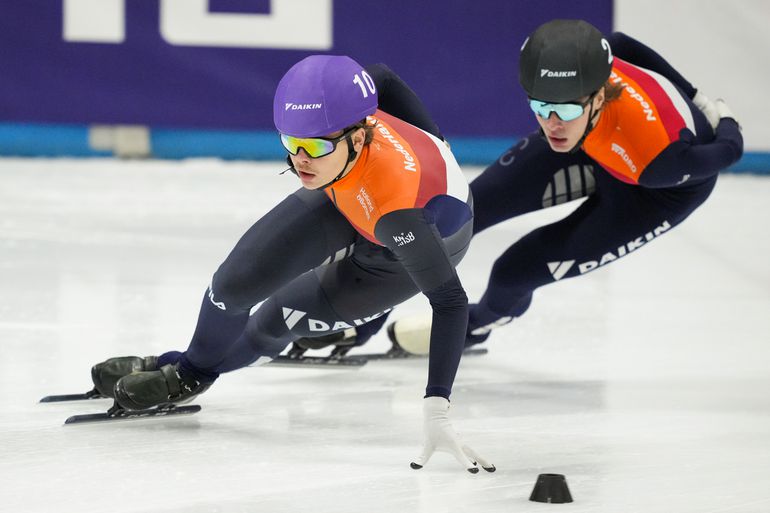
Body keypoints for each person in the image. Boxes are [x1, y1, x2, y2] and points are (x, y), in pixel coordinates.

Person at [89, 55, 493, 473]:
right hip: (346, 187)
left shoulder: (399, 210)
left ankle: (193, 374)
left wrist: (436, 409)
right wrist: (322, 149)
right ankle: (188, 364)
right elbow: (383, 77)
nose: (300, 159)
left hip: (403, 245)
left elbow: (450, 303)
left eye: (315, 145)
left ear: (358, 137)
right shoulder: (339, 138)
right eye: (291, 142)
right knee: (232, 286)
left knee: (272, 323)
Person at [346, 19, 745, 353]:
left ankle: (477, 324)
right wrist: (691, 92)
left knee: (514, 272)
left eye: (565, 108)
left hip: (655, 191)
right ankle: (362, 319)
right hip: (592, 142)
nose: (551, 123)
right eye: (539, 106)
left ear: (599, 96)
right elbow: (622, 43)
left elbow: (729, 152)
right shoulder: (580, 93)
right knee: (458, 213)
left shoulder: (663, 161)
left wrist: (720, 115)